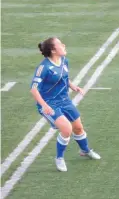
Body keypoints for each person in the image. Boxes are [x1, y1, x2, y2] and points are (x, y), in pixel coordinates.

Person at [30, 37, 101, 171]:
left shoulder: (64, 61)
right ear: (53, 50)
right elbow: (33, 89)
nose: (63, 45)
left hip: (65, 101)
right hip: (50, 104)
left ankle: (85, 151)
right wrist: (44, 106)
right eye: (60, 44)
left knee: (78, 128)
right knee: (67, 129)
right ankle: (59, 158)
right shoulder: (43, 68)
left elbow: (64, 78)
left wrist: (74, 87)